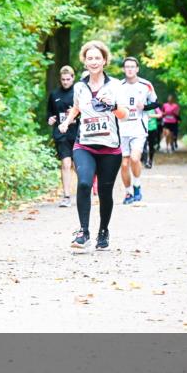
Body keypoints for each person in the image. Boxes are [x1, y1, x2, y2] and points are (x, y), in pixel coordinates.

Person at [58, 41, 128, 252]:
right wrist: (67, 121)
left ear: (104, 61)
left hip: (110, 148)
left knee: (105, 192)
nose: (94, 61)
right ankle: (83, 232)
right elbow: (77, 107)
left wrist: (112, 106)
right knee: (85, 184)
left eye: (98, 58)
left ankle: (103, 231)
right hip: (85, 145)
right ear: (84, 61)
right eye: (90, 58)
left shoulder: (115, 85)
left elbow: (123, 114)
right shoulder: (80, 86)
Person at [117, 57, 158, 205]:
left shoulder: (146, 85)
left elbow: (155, 102)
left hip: (138, 129)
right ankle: (128, 193)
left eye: (132, 67)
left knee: (135, 158)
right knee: (123, 164)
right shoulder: (118, 86)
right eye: (127, 67)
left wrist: (144, 107)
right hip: (121, 130)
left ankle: (137, 186)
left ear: (137, 69)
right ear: (123, 69)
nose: (129, 69)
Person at [46, 65, 78, 207]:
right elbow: (49, 113)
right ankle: (66, 196)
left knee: (79, 166)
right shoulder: (54, 95)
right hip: (61, 134)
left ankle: (84, 192)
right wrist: (50, 119)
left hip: (78, 133)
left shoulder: (78, 93)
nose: (65, 82)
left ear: (73, 78)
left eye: (68, 79)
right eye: (63, 79)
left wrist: (77, 113)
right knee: (65, 164)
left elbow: (88, 112)